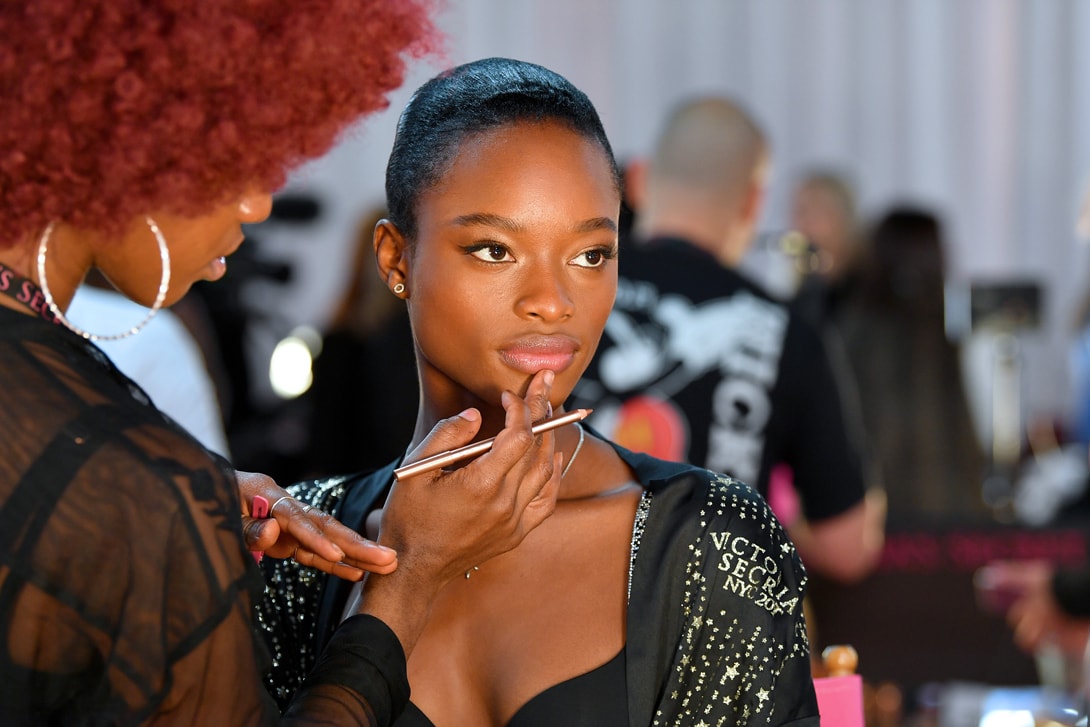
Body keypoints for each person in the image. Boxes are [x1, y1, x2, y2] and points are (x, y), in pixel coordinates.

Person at [0, 3, 565, 724]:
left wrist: (181, 508)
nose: (257, 202)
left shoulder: (124, 478)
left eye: (592, 253)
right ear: (128, 138)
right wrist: (410, 581)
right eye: (237, 160)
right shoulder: (140, 491)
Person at [259, 58, 819, 725]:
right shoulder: (300, 552)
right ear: (395, 258)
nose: (553, 303)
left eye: (590, 255)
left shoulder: (711, 544)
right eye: (496, 249)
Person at [569, 96, 885, 583]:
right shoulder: (790, 333)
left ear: (637, 181)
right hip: (705, 638)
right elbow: (848, 547)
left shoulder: (565, 290)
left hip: (552, 621)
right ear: (752, 202)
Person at [837, 208, 987, 518]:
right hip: (936, 504)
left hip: (874, 505)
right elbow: (958, 421)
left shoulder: (854, 323)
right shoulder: (935, 325)